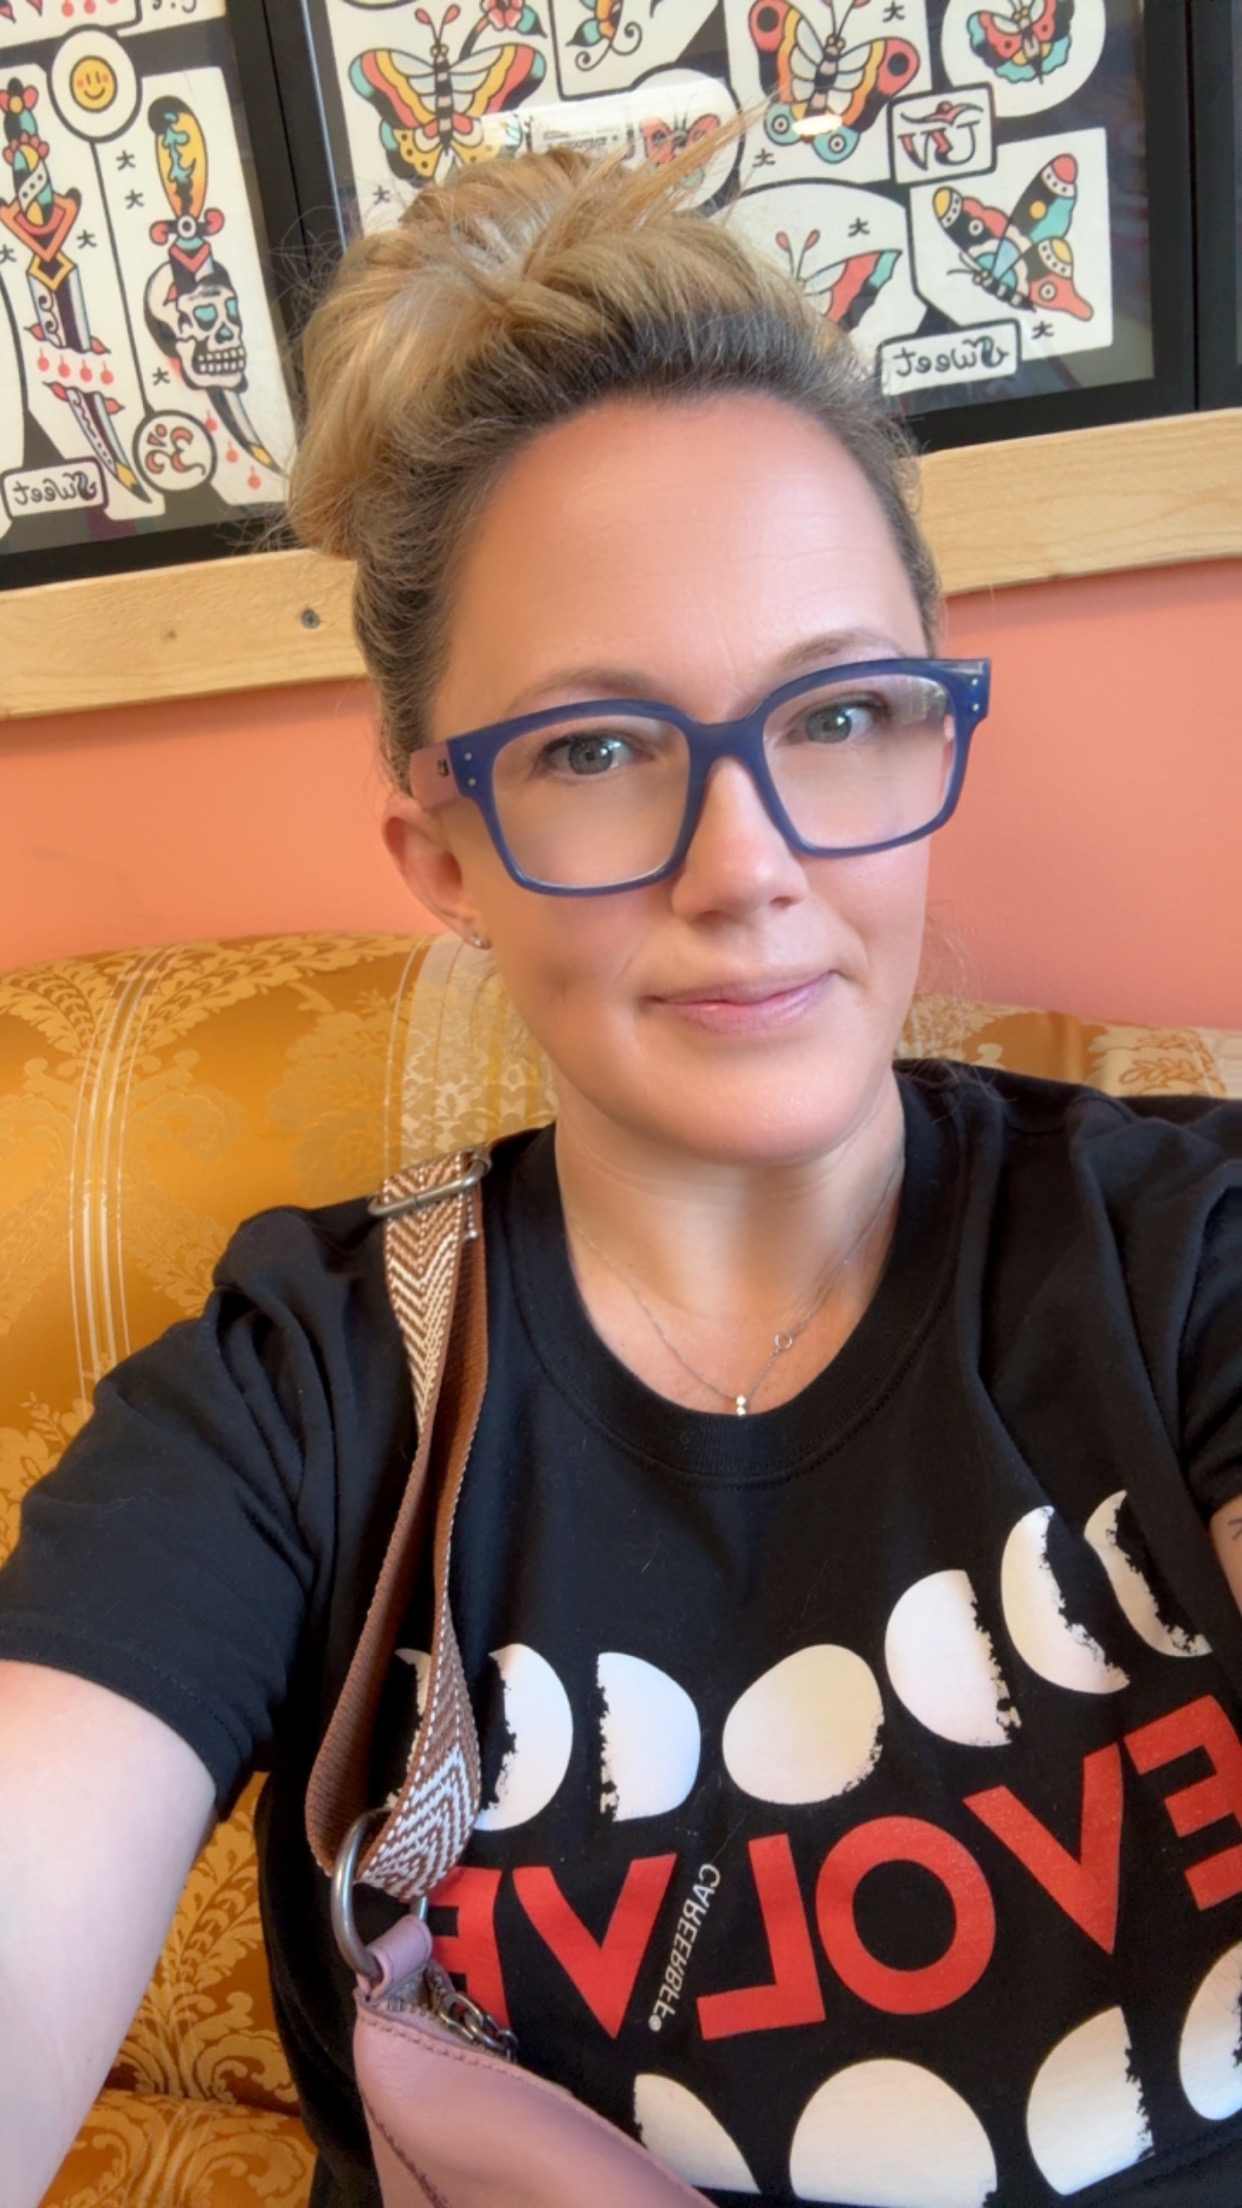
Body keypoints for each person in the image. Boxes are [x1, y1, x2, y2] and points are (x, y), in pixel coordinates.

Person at [2, 140, 1242, 2208]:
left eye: (837, 715)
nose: (747, 864)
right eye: (592, 751)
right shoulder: (301, 1400)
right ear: (444, 856)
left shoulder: (1182, 1262)